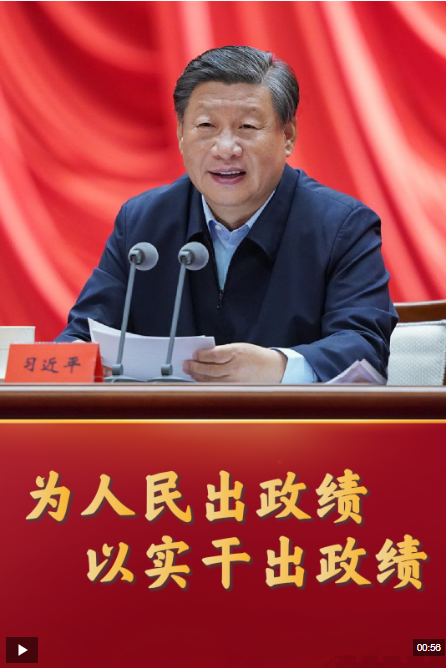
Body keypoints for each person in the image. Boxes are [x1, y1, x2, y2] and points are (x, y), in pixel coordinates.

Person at [56, 45, 397, 383]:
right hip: (163, 417)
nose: (225, 149)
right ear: (181, 134)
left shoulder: (342, 227)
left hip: (286, 419)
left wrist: (277, 368)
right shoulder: (143, 221)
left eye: (247, 127)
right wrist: (71, 363)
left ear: (288, 135)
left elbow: (365, 350)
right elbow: (81, 337)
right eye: (206, 125)